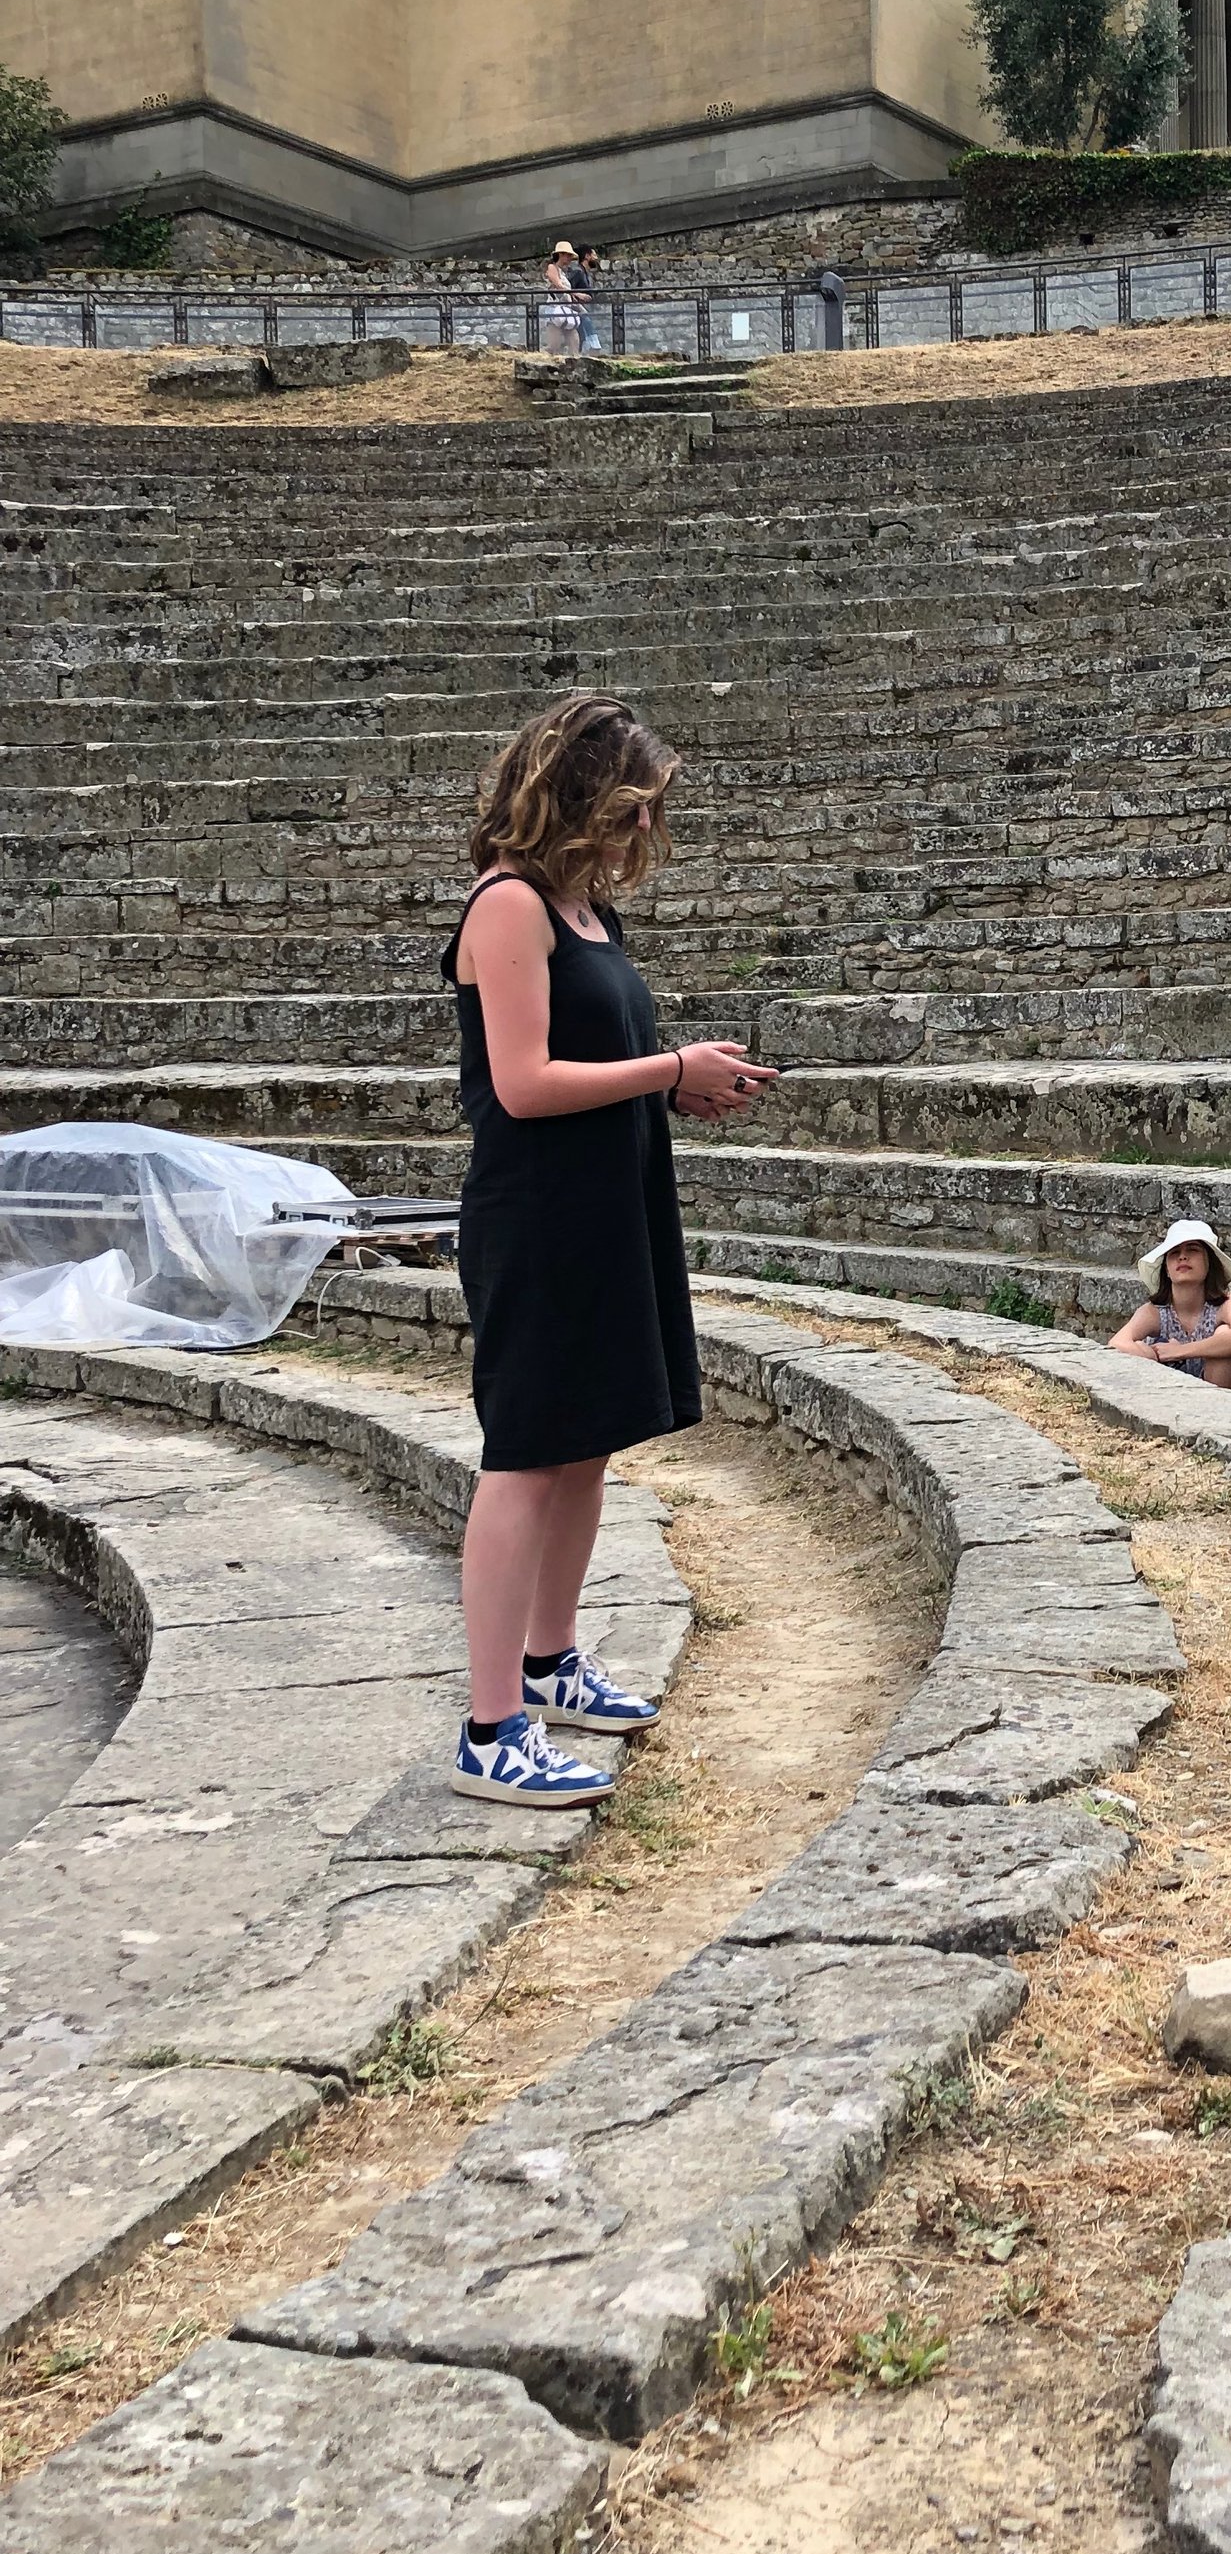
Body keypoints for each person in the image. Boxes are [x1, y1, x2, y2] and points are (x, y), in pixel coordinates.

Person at [447, 694, 774, 1807]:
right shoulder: (507, 907)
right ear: (582, 795)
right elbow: (525, 1085)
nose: (646, 831)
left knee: (582, 1448)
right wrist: (667, 1067)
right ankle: (491, 1728)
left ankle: (551, 1664)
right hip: (537, 1219)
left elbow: (603, 1067)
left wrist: (681, 1091)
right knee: (525, 1457)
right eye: (635, 807)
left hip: (608, 1208)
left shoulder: (589, 916)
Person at [1113, 1220, 1231, 1389]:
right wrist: (1151, 1354)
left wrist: (1180, 1351)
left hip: (1218, 1393)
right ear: (1166, 1268)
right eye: (1174, 1253)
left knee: (1225, 1334)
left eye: (1193, 1250)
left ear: (1209, 1263)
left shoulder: (1227, 1304)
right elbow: (1117, 1343)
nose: (1182, 1257)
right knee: (1137, 1346)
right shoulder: (1154, 1312)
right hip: (1167, 1394)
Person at [541, 240, 583, 358]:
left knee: (574, 340)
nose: (570, 259)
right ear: (561, 254)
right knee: (554, 344)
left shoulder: (562, 272)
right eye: (568, 255)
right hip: (555, 309)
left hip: (566, 310)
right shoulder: (552, 268)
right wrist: (576, 294)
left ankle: (575, 362)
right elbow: (558, 285)